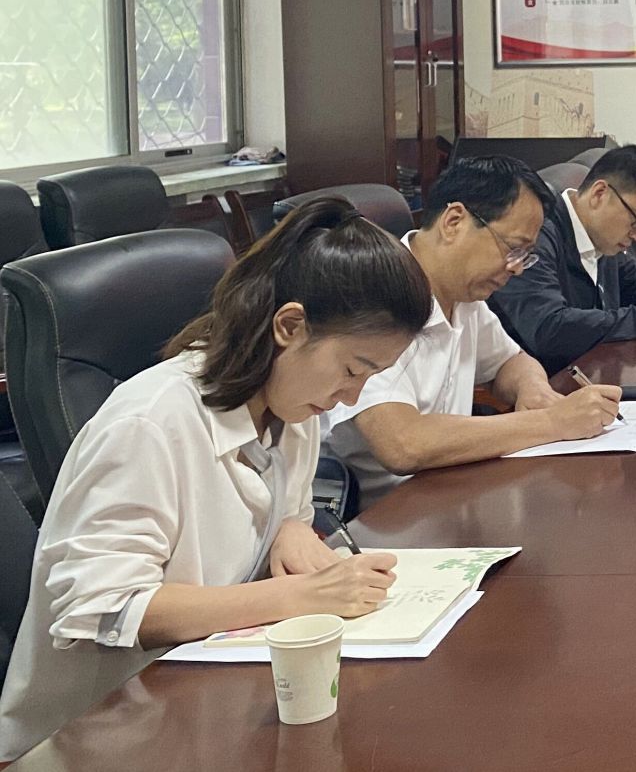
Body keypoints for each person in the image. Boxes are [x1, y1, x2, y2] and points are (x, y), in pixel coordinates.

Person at [0, 199, 433, 759]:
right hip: (91, 735)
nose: (351, 397)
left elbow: (277, 512)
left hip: (207, 698)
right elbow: (104, 608)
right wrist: (298, 594)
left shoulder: (292, 407)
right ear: (289, 326)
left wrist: (291, 528)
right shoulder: (148, 424)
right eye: (353, 370)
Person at [324, 157, 623, 505]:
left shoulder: (464, 295)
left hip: (453, 494)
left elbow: (512, 361)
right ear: (454, 222)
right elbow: (403, 444)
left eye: (525, 256)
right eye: (512, 249)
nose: (516, 269)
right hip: (383, 516)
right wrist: (552, 422)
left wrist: (534, 390)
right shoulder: (376, 293)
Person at [489, 144, 636, 374]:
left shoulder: (600, 240)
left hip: (593, 376)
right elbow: (549, 329)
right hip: (545, 385)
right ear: (599, 194)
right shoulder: (537, 234)